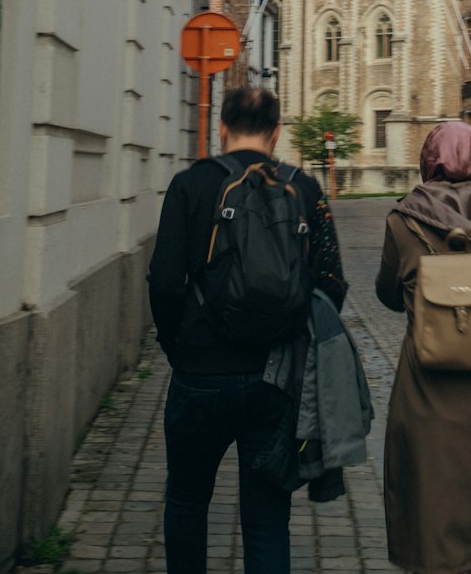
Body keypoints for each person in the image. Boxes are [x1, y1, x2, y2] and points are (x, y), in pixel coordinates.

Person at [148, 85, 347, 574]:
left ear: (221, 128)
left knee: (188, 500)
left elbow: (165, 282)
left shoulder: (189, 185)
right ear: (277, 134)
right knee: (266, 519)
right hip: (273, 379)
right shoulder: (305, 189)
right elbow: (332, 283)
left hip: (198, 374)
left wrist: (179, 347)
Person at [376, 120, 471, 574]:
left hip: (428, 390)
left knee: (432, 518)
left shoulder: (403, 218)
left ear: (429, 160)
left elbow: (386, 293)